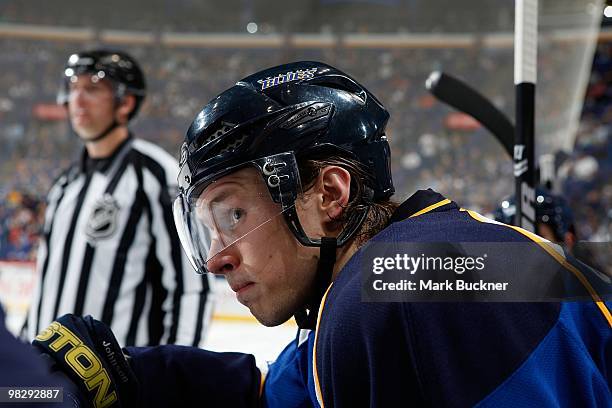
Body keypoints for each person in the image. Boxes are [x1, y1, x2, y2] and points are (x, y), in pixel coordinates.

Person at [32, 61, 611, 407]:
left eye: (233, 215)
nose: (216, 259)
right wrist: (131, 377)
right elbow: (280, 393)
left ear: (330, 195)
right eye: (206, 227)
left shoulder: (398, 291)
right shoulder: (401, 274)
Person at [23, 49, 213, 347]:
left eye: (93, 89)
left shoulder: (156, 176)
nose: (78, 99)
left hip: (116, 386)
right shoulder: (64, 185)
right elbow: (46, 285)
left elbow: (190, 288)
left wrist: (171, 376)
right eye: (74, 89)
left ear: (125, 103)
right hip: (47, 376)